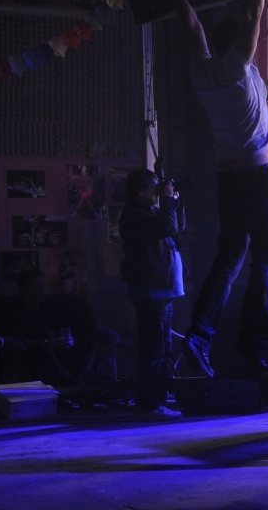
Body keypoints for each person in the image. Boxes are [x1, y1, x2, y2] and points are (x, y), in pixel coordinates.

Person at [173, 0, 268, 382]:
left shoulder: (204, 74)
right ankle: (254, 349)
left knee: (228, 260)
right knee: (266, 263)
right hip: (258, 177)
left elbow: (191, 29)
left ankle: (200, 337)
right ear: (240, 45)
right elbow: (253, 12)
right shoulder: (238, 68)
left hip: (228, 183)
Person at [119, 168, 185, 420]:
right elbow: (168, 226)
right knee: (154, 348)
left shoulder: (149, 212)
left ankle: (157, 398)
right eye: (153, 188)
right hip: (151, 291)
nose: (158, 192)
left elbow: (176, 228)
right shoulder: (134, 216)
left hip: (161, 290)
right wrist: (166, 200)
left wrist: (176, 201)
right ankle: (150, 403)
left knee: (161, 347)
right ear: (140, 191)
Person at [0, 270, 99, 390]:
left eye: (43, 286)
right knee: (45, 347)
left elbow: (62, 329)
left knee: (90, 343)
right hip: (37, 355)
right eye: (37, 287)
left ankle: (78, 380)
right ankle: (66, 380)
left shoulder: (49, 308)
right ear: (25, 290)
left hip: (57, 350)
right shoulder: (16, 312)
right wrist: (49, 342)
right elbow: (21, 341)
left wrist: (67, 340)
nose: (42, 290)